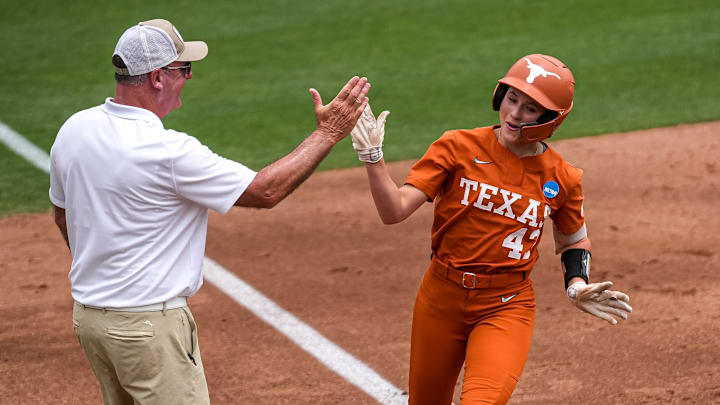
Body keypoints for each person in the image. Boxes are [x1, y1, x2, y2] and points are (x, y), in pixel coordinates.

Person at [49, 18, 370, 405]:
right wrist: (328, 133)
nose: (189, 77)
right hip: (149, 329)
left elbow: (62, 214)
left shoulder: (74, 129)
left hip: (91, 321)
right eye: (184, 69)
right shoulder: (167, 151)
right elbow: (265, 190)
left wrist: (106, 275)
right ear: (157, 78)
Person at [349, 54, 632, 404]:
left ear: (551, 118)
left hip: (506, 306)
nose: (514, 113)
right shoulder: (456, 147)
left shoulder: (563, 177)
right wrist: (373, 157)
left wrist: (577, 284)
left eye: (530, 108)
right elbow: (393, 212)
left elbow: (575, 239)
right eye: (512, 99)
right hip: (440, 299)